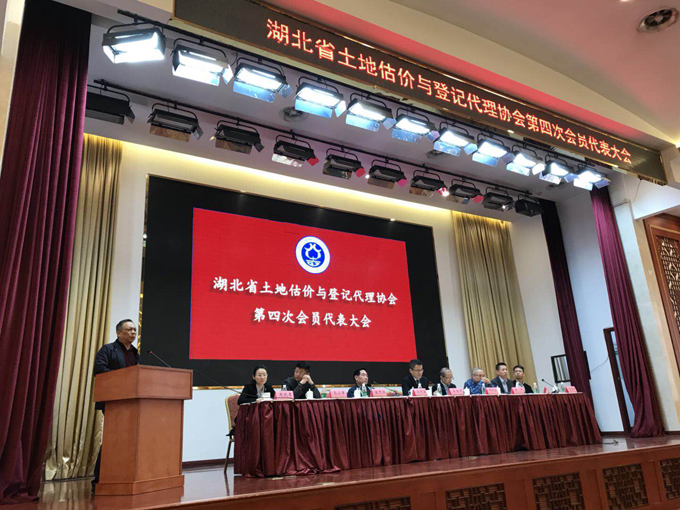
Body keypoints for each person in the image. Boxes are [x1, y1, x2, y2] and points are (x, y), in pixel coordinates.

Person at [92, 319, 140, 494]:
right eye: (129, 330)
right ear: (118, 333)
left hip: (133, 403)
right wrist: (123, 378)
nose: (133, 332)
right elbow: (99, 370)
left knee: (130, 441)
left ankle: (124, 477)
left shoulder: (135, 353)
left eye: (134, 330)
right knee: (113, 440)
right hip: (114, 402)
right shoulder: (108, 350)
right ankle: (99, 480)